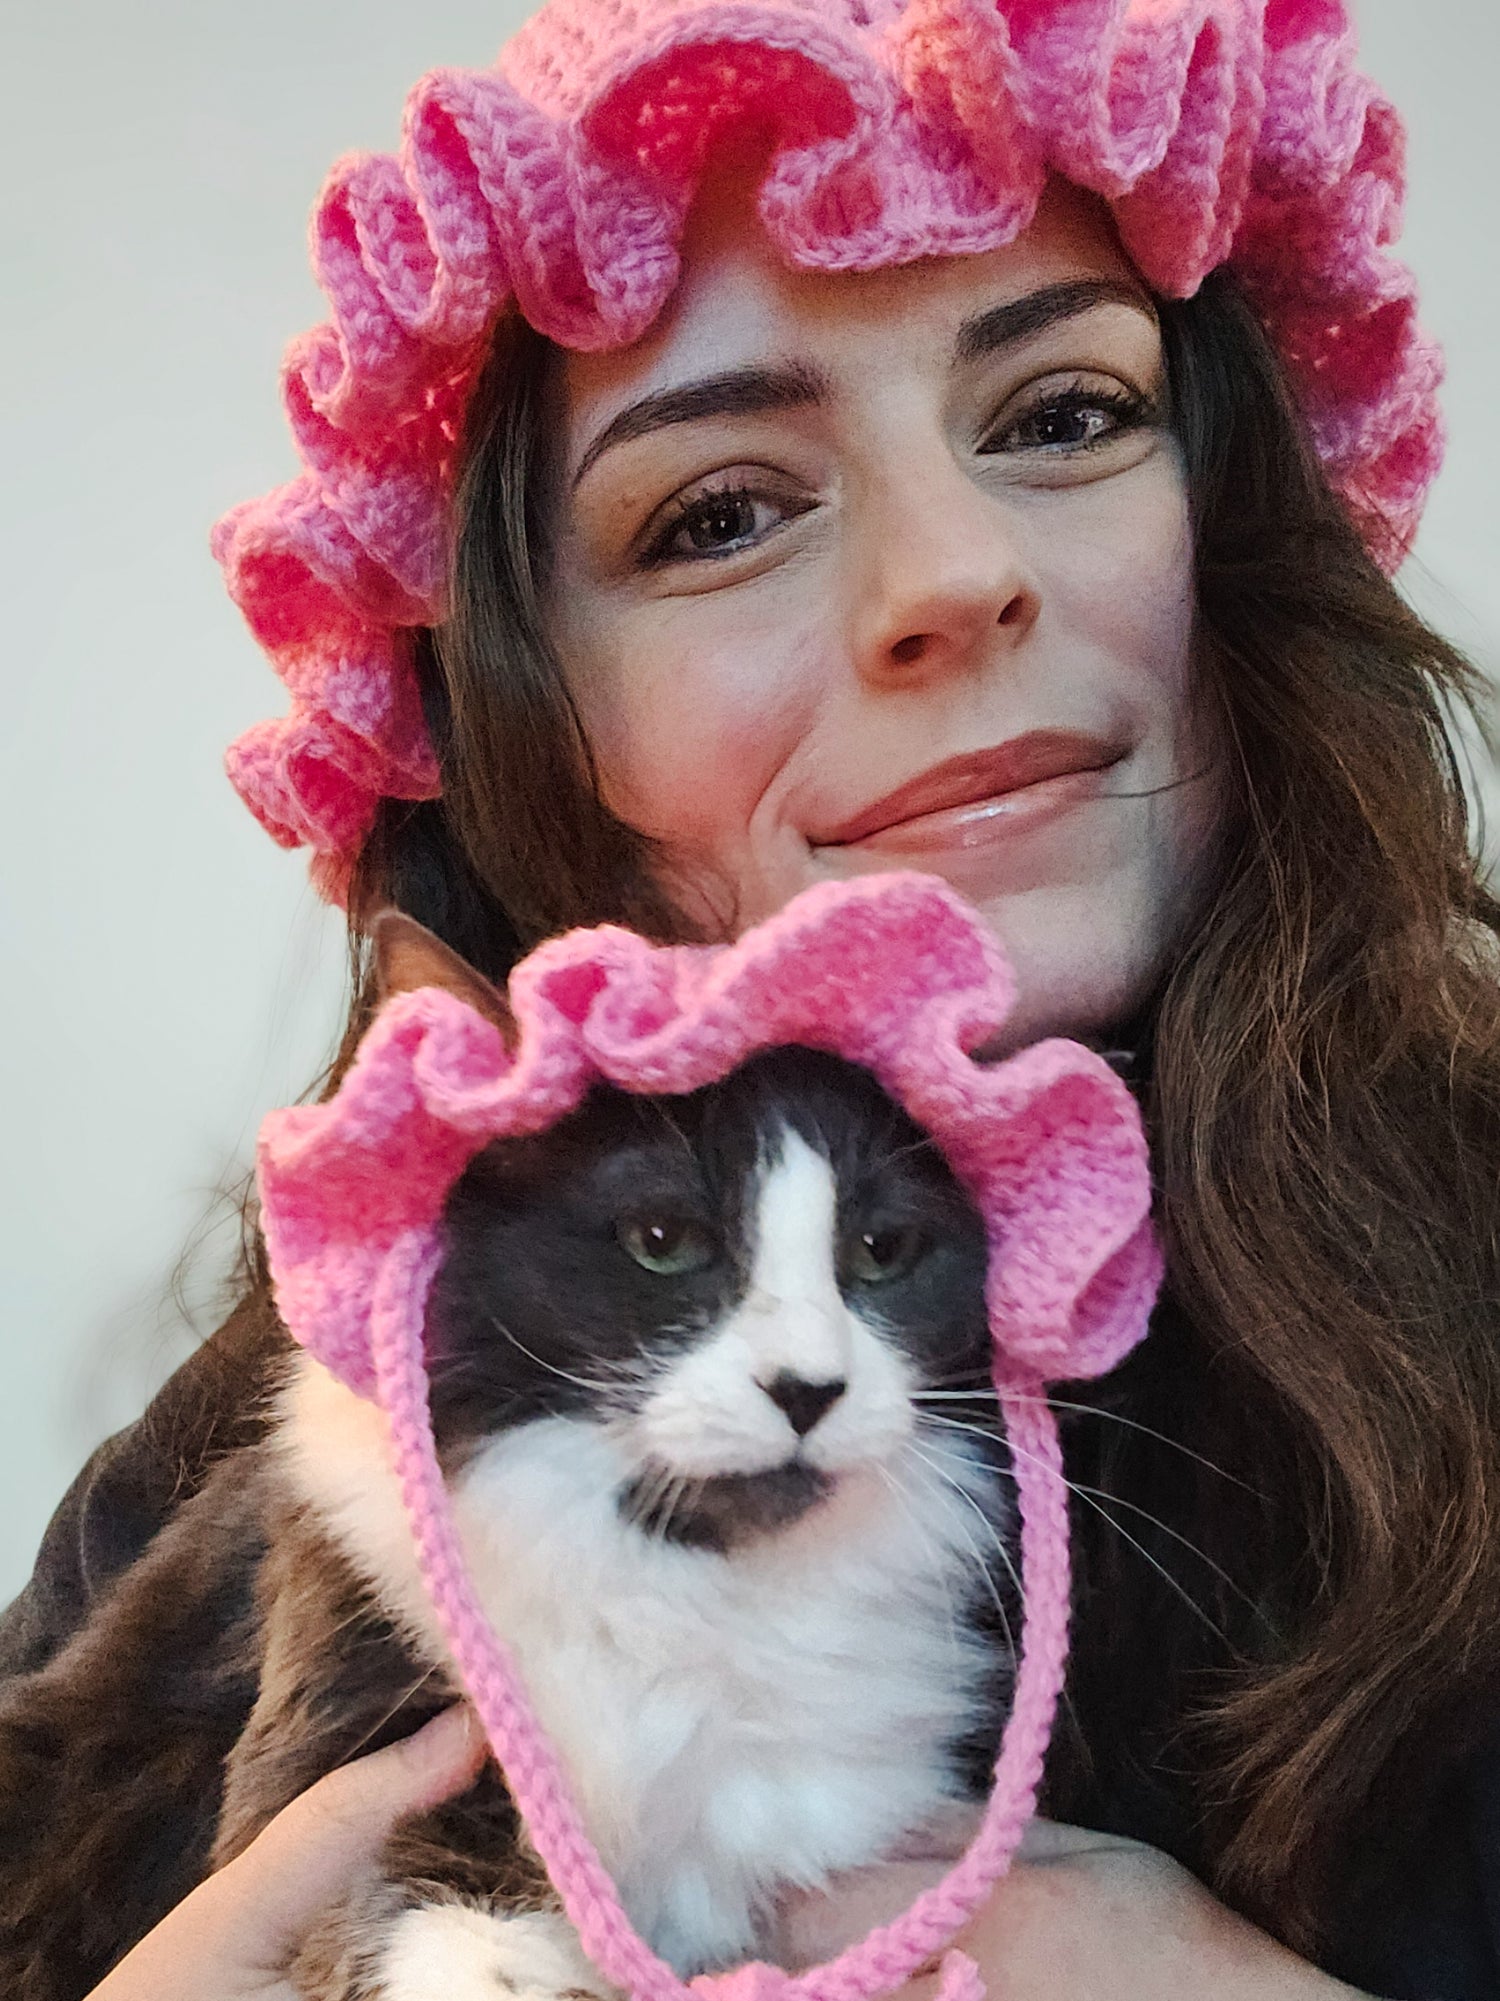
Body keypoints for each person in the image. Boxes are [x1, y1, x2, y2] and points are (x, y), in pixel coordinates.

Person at [5, 0, 1498, 1994]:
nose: (951, 575)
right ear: (539, 732)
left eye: (1064, 414)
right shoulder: (295, 1439)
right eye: (719, 513)